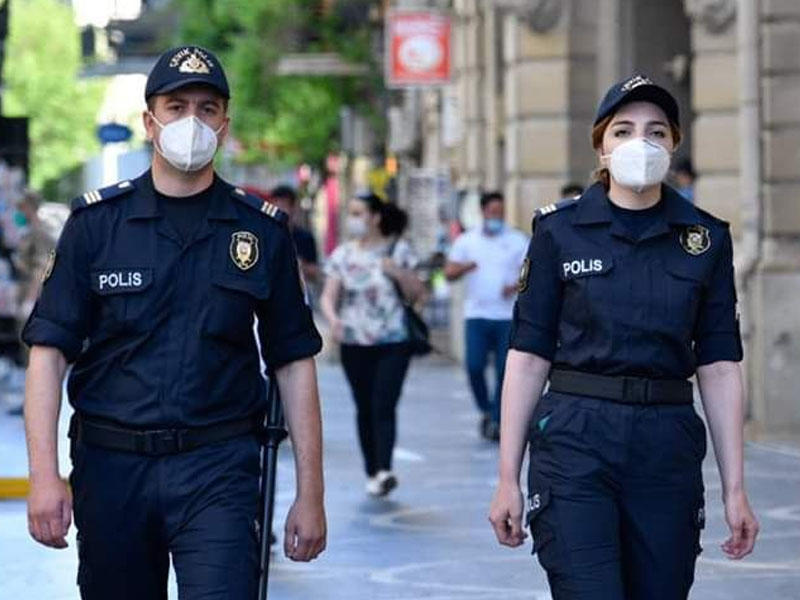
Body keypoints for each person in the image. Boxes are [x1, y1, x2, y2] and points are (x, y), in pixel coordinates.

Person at [22, 45, 327, 600]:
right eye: (176, 105)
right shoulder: (96, 225)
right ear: (149, 120)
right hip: (112, 468)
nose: (192, 121)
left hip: (219, 468)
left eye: (207, 108)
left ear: (225, 125)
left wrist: (312, 492)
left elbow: (292, 361)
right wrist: (44, 475)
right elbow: (48, 353)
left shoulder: (260, 232)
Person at [489, 74, 758, 599]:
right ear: (602, 146)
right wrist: (506, 478)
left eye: (657, 132)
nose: (642, 143)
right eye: (624, 130)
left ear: (674, 145)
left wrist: (735, 489)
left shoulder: (705, 240)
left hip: (666, 443)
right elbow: (527, 358)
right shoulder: (558, 231)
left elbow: (720, 364)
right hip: (575, 439)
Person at [320, 193, 424, 497]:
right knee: (364, 405)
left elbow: (419, 293)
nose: (353, 219)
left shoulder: (399, 250)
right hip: (354, 340)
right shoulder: (342, 255)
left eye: (358, 212)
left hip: (394, 340)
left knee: (384, 403)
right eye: (351, 212)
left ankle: (384, 469)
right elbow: (329, 294)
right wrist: (332, 319)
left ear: (375, 216)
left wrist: (397, 272)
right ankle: (372, 469)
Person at [444, 191, 528, 441]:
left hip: (507, 317)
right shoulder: (467, 241)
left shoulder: (517, 240)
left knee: (505, 370)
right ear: (483, 212)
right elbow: (448, 272)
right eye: (492, 212)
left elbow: (530, 273)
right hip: (477, 315)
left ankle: (497, 417)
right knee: (474, 366)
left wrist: (514, 287)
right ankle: (486, 409)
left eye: (500, 213)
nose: (496, 217)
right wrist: (464, 267)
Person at [267, 184, 321, 286]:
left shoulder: (305, 238)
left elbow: (315, 271)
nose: (278, 211)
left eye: (283, 206)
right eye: (275, 206)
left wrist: (298, 265)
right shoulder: (265, 236)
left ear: (293, 208)